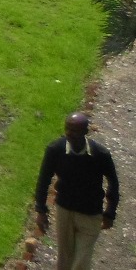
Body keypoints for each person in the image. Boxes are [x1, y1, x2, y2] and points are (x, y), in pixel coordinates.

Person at [34, 112, 120, 270]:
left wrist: (110, 212)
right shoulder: (55, 150)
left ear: (85, 132)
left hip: (90, 214)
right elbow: (44, 180)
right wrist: (41, 210)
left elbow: (113, 182)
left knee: (81, 261)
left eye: (75, 130)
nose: (70, 134)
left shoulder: (100, 154)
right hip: (64, 211)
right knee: (64, 259)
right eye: (68, 129)